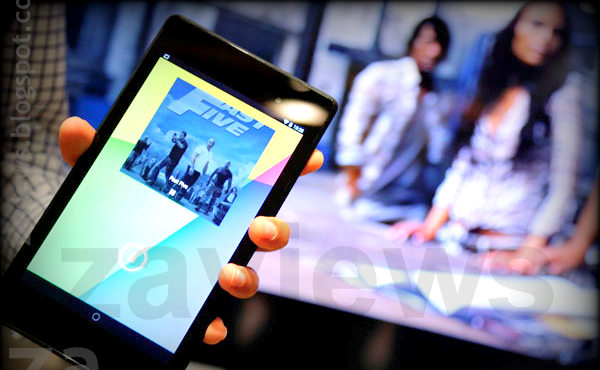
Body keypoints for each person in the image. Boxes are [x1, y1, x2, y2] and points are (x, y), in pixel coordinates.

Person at [58, 117, 323, 344]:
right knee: (167, 177)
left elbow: (211, 170)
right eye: (210, 142)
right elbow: (196, 158)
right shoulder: (198, 150)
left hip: (200, 177)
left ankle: (174, 193)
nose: (211, 145)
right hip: (191, 171)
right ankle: (164, 188)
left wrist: (209, 180)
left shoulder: (214, 162)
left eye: (214, 144)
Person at [391, 2, 583, 274]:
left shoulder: (563, 96)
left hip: (507, 248)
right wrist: (430, 226)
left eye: (557, 32)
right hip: (456, 239)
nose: (546, 38)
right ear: (515, 27)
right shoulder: (495, 86)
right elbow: (465, 163)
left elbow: (564, 186)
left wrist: (528, 253)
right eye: (538, 24)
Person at [335, 16, 452, 222]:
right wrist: (352, 179)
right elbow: (352, 127)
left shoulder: (437, 97)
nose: (435, 51)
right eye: (428, 41)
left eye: (440, 45)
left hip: (408, 202)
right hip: (365, 194)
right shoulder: (381, 75)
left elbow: (436, 153)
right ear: (413, 41)